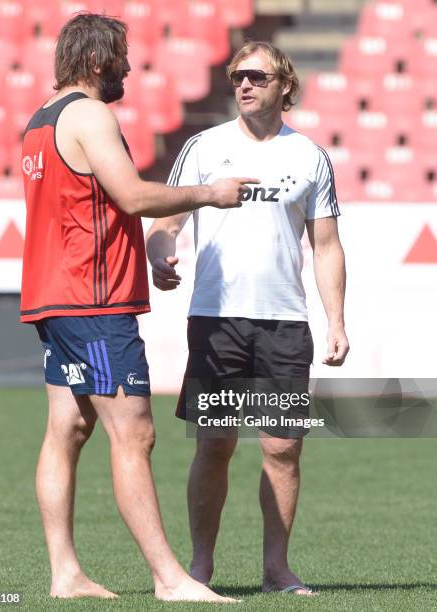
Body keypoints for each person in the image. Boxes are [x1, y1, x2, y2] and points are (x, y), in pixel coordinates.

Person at [20, 13, 257, 603]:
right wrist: (210, 193)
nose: (129, 67)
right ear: (99, 60)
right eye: (122, 57)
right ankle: (170, 578)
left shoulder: (39, 121)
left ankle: (66, 573)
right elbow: (132, 195)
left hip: (55, 298)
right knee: (135, 434)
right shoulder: (91, 114)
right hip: (93, 301)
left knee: (68, 428)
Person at [146, 41, 349, 596]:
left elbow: (326, 245)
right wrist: (159, 254)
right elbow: (165, 218)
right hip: (216, 323)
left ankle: (277, 570)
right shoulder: (203, 147)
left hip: (284, 325)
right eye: (237, 75)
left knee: (283, 448)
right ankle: (200, 568)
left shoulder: (310, 156)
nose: (244, 84)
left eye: (257, 75)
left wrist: (336, 320)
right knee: (215, 443)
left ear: (285, 84)